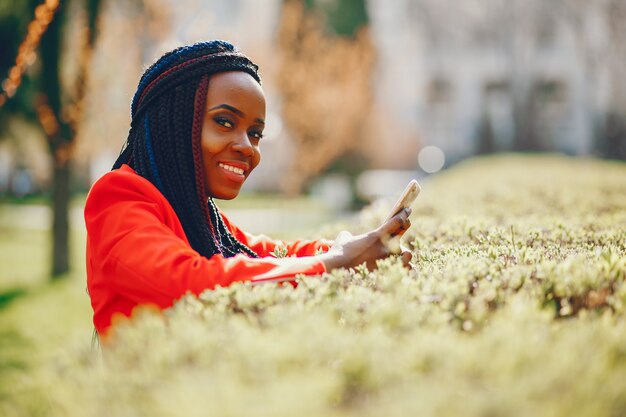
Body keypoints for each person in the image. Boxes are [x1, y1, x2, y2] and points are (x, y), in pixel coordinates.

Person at [85, 40, 412, 337]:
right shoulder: (118, 196)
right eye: (225, 122)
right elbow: (192, 282)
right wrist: (336, 261)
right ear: (172, 121)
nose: (248, 148)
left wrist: (345, 248)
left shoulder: (198, 214)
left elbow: (263, 252)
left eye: (255, 133)